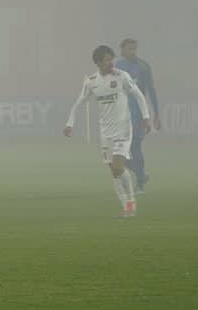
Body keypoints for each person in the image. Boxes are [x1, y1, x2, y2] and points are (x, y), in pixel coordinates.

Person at [64, 45, 152, 217]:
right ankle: (127, 208)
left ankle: (131, 201)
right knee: (115, 172)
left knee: (119, 166)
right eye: (107, 60)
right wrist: (70, 123)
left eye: (112, 59)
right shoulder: (91, 81)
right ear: (98, 63)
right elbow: (79, 102)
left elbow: (139, 95)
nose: (111, 63)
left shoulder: (121, 76)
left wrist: (146, 117)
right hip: (106, 134)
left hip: (124, 129)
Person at [116, 38, 160, 193]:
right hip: (120, 116)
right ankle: (141, 173)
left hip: (138, 116)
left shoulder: (143, 67)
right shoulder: (117, 67)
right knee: (116, 153)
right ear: (122, 50)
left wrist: (156, 114)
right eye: (129, 49)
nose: (133, 52)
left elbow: (151, 90)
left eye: (135, 48)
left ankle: (140, 184)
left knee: (135, 148)